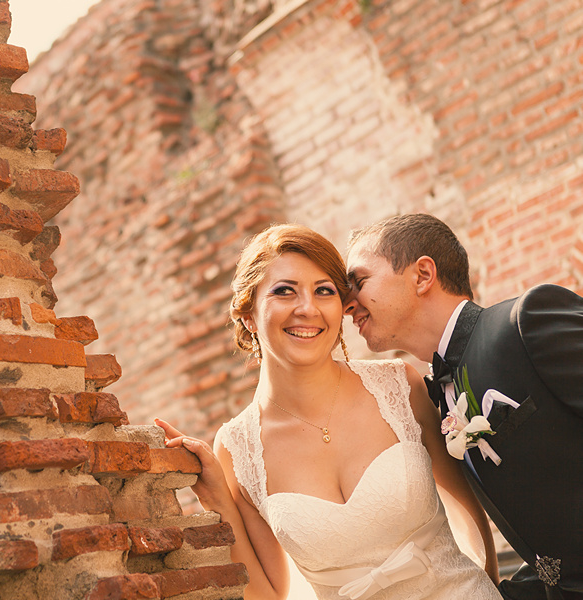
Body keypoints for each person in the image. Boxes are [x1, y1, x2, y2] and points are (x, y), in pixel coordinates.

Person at [156, 223, 501, 600]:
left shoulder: (400, 387)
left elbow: (472, 518)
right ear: (248, 315)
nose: (307, 309)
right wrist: (218, 500)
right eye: (284, 291)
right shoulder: (237, 449)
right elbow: (269, 595)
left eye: (324, 291)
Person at [344, 213, 583, 600]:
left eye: (359, 282)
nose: (346, 304)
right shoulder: (438, 401)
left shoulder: (526, 321)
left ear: (422, 275)